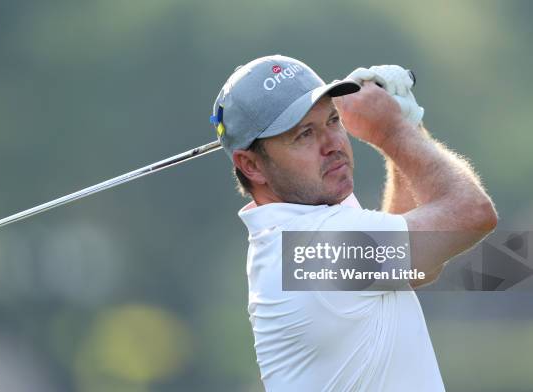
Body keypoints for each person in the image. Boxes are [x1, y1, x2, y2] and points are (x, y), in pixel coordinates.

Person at [210, 55, 497, 391]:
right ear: (251, 165)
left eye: (333, 120)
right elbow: (472, 213)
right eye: (304, 134)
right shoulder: (310, 250)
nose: (332, 144)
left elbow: (415, 269)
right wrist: (393, 131)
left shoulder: (301, 238)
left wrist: (404, 124)